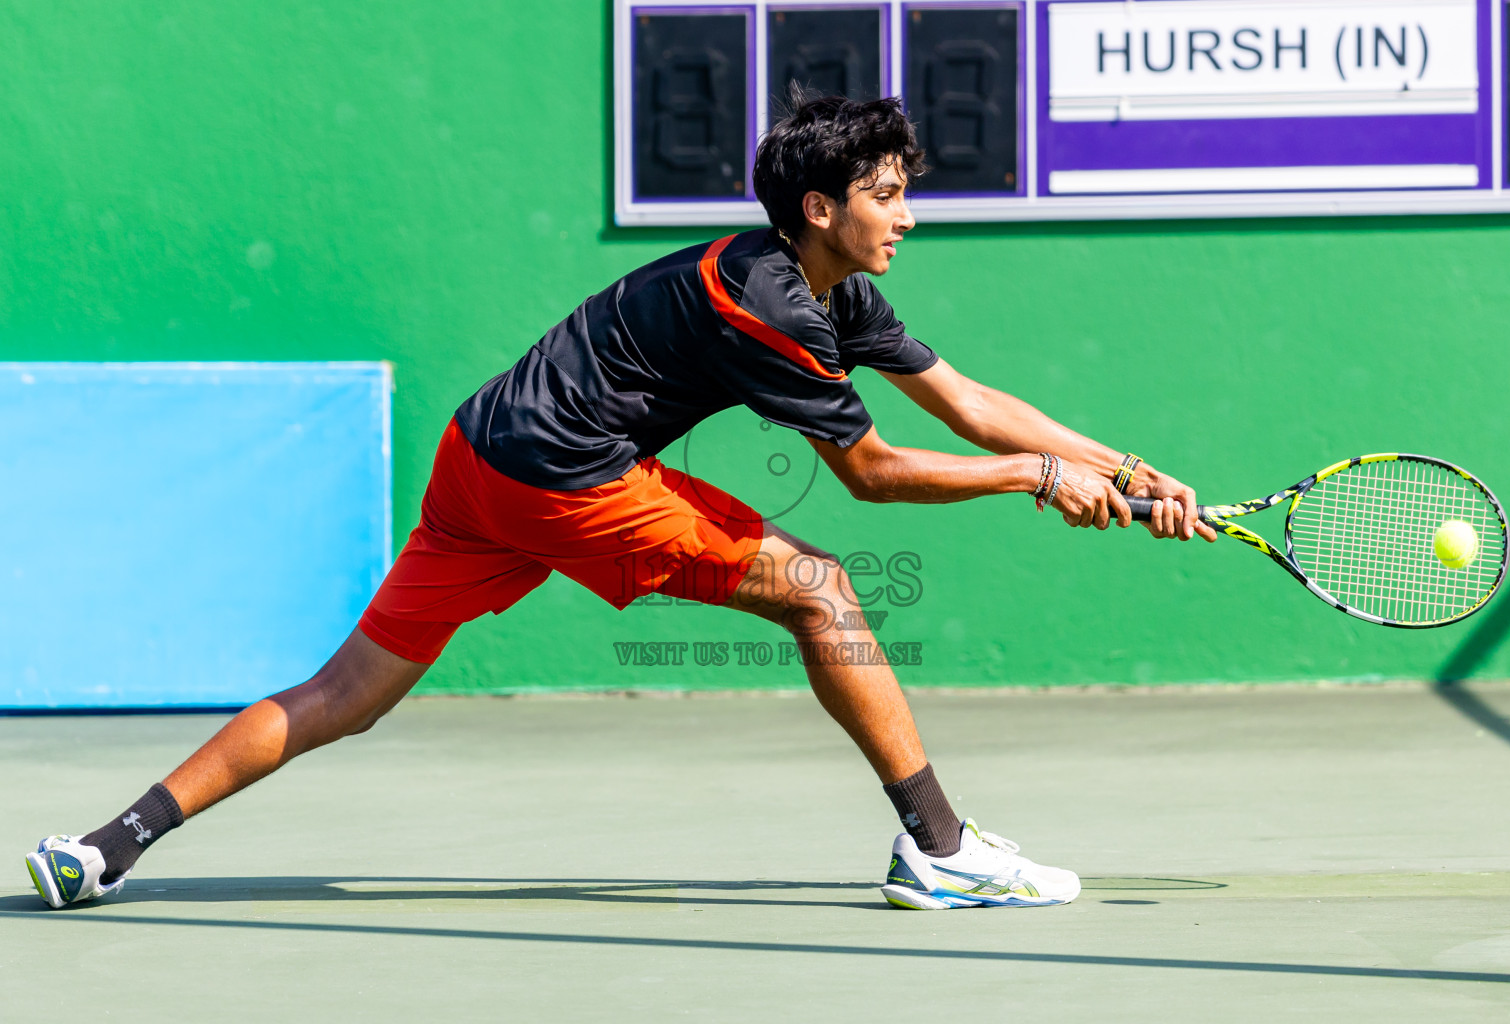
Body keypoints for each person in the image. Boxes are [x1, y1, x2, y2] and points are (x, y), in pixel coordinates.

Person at [25, 92, 1215, 913]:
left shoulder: (835, 292)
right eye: (888, 194)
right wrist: (1036, 481)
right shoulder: (771, 306)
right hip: (566, 480)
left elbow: (969, 402)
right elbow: (876, 473)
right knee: (823, 590)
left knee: (344, 693)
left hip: (477, 457)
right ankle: (942, 851)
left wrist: (1122, 469)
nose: (907, 215)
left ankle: (106, 846)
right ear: (820, 208)